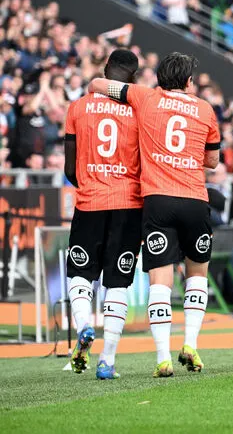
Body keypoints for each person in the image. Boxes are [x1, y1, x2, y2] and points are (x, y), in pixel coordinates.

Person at [90, 52, 221, 378]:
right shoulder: (205, 109)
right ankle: (190, 344)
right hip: (193, 199)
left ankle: (162, 357)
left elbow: (96, 85)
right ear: (189, 82)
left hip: (157, 201)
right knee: (197, 275)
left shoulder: (144, 96)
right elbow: (213, 161)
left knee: (159, 281)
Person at [63, 50, 142, 380]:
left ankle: (83, 326)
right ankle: (107, 360)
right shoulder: (139, 112)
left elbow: (70, 167)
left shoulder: (78, 107)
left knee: (79, 275)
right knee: (117, 282)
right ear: (132, 77)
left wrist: (90, 183)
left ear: (104, 70)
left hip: (90, 201)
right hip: (129, 204)